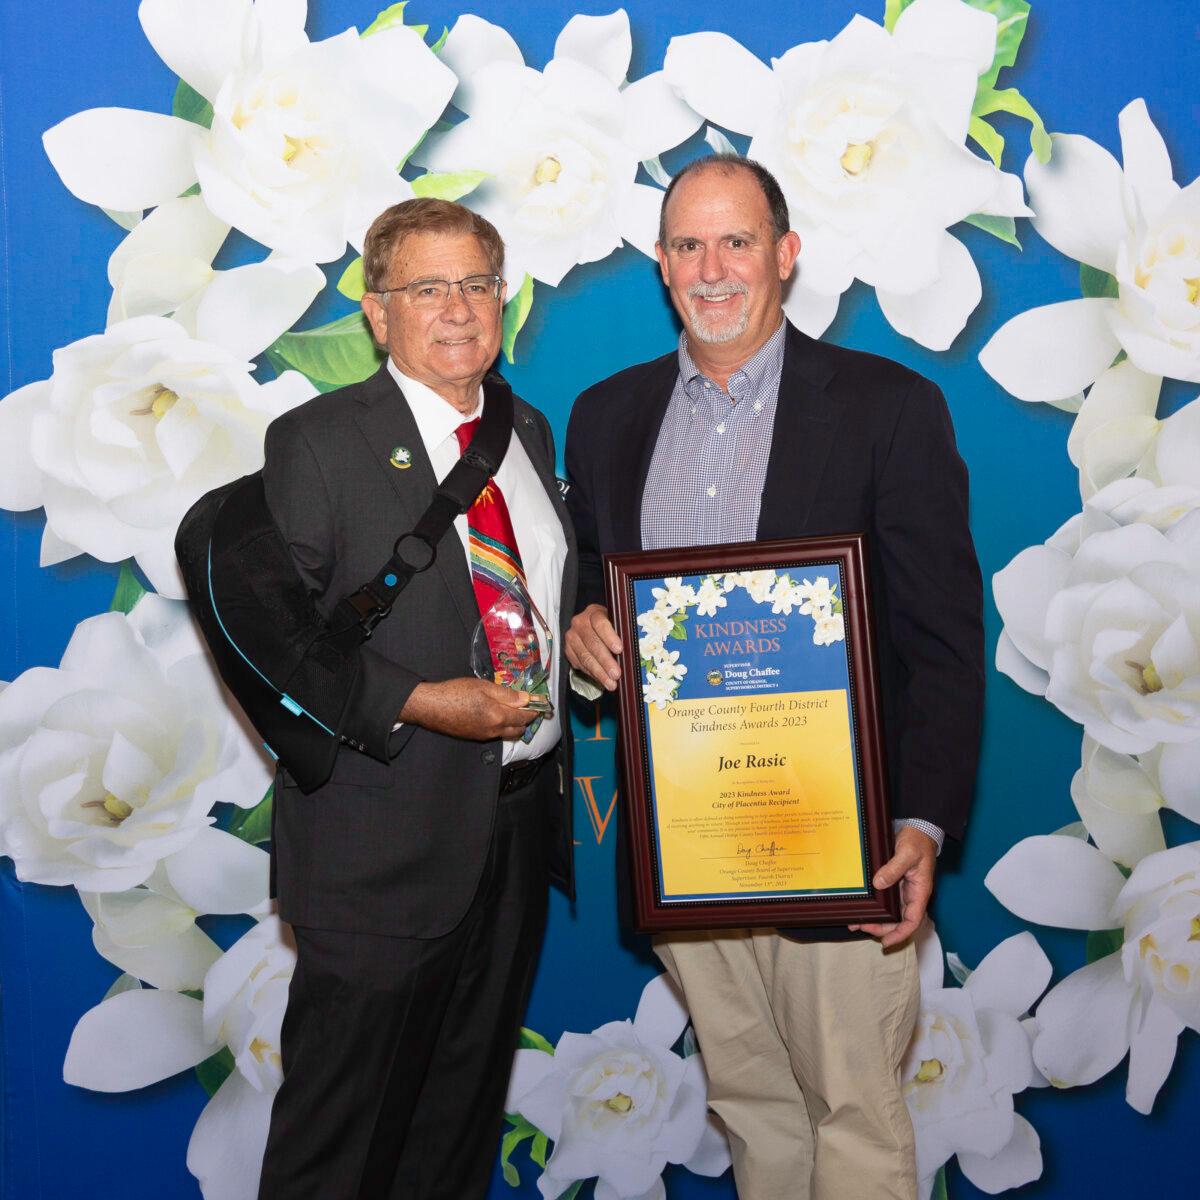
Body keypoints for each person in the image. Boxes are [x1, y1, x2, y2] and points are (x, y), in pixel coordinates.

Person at [563, 156, 983, 1200]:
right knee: (753, 1114)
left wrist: (922, 825)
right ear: (661, 266)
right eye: (689, 246)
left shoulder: (890, 406)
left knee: (853, 1116)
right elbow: (590, 596)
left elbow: (942, 639)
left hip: (839, 849)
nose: (712, 270)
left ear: (785, 256)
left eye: (737, 242)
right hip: (685, 857)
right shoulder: (606, 416)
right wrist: (581, 638)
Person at [255, 198, 576, 1199]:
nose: (458, 309)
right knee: (339, 1145)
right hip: (378, 850)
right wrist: (419, 701)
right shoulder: (313, 441)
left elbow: (545, 586)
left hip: (514, 835)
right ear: (374, 310)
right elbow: (270, 643)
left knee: (455, 1131)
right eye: (427, 287)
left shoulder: (524, 426)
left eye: (478, 283)